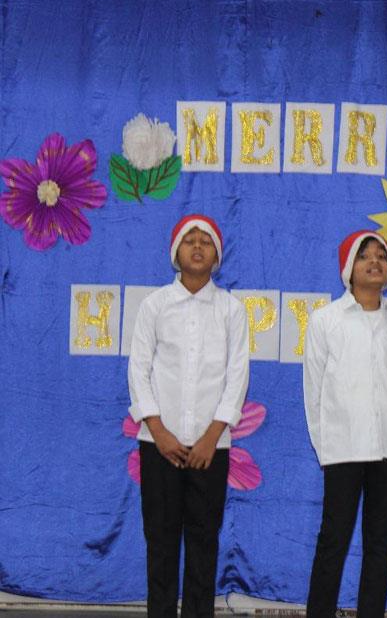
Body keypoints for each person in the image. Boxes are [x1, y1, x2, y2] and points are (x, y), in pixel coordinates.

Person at [127, 214, 250, 617]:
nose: (197, 247)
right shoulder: (155, 305)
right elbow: (138, 370)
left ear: (217, 255)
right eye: (189, 240)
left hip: (211, 449)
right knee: (160, 544)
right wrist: (158, 431)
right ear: (175, 252)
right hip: (159, 446)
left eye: (206, 241)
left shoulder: (231, 310)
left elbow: (237, 376)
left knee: (203, 544)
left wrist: (212, 436)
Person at [303, 230, 387, 618]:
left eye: (381, 256)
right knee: (333, 541)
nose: (374, 262)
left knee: (380, 546)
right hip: (343, 448)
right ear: (349, 268)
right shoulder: (326, 320)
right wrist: (326, 447)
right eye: (365, 255)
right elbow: (314, 391)